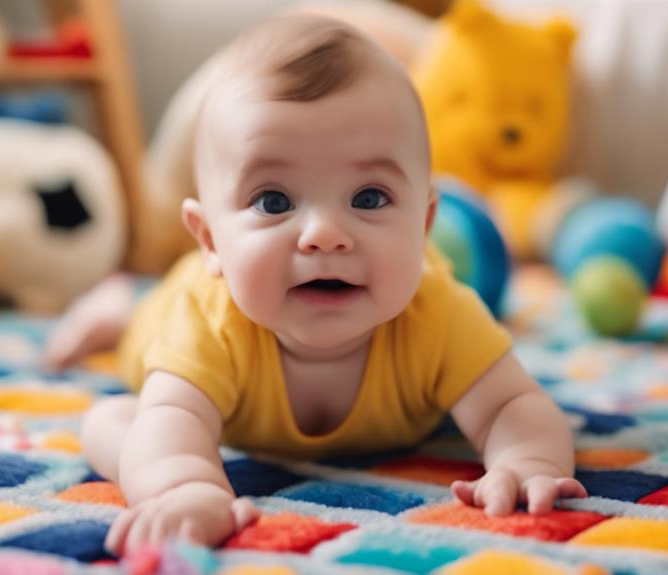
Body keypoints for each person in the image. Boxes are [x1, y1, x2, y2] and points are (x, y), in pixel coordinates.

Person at [45, 14, 586, 554]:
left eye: (369, 198)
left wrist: (525, 463)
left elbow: (513, 405)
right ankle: (116, 307)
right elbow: (171, 420)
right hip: (167, 313)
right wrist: (184, 488)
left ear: (423, 228)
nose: (324, 235)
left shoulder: (438, 312)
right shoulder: (205, 323)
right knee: (115, 419)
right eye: (273, 201)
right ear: (209, 240)